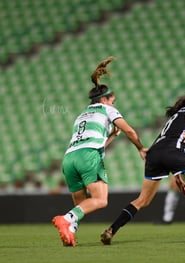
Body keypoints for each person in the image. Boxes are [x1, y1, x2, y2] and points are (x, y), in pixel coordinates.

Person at [100, 88, 185, 245]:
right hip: (172, 153)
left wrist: (177, 175)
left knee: (142, 200)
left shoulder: (182, 110)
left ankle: (111, 230)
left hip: (154, 155)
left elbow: (172, 143)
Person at [52, 57, 147, 246]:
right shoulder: (107, 110)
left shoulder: (82, 115)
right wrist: (140, 147)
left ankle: (69, 233)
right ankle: (65, 219)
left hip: (70, 158)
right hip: (88, 157)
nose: (113, 104)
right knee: (100, 200)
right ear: (104, 100)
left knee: (81, 205)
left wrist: (111, 136)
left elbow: (94, 143)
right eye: (113, 101)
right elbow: (129, 130)